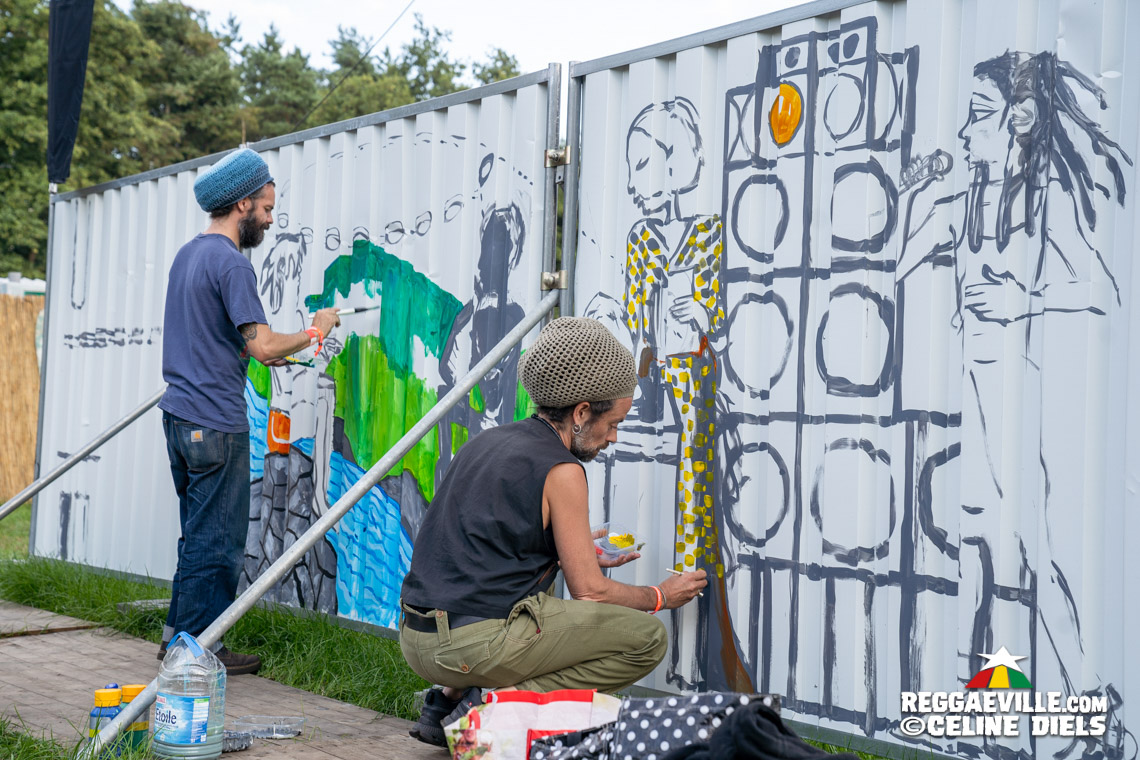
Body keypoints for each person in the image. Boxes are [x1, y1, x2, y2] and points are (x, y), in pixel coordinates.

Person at [399, 317, 708, 746]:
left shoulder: (488, 442)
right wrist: (660, 596)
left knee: (538, 612)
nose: (614, 437)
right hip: (469, 647)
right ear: (581, 413)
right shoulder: (563, 469)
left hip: (417, 638)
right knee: (647, 639)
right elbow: (591, 593)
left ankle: (444, 703)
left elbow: (480, 551)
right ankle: (488, 709)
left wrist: (570, 548)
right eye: (613, 423)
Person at [158, 147, 341, 674]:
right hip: (215, 422)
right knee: (218, 544)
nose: (269, 219)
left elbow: (212, 335)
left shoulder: (189, 255)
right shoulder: (233, 264)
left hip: (180, 417)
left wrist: (245, 352)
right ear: (242, 204)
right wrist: (314, 331)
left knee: (197, 535)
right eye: (266, 208)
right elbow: (262, 345)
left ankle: (179, 641)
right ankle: (196, 656)